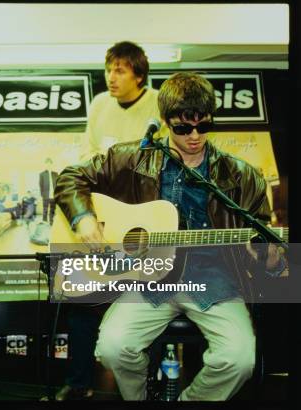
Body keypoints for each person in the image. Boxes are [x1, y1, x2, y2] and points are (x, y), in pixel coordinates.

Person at [54, 72, 285, 401]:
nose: (194, 136)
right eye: (182, 128)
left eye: (203, 126)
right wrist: (83, 217)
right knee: (113, 349)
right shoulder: (136, 158)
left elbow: (262, 241)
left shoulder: (241, 175)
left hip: (213, 280)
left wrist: (268, 256)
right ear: (164, 122)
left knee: (238, 360)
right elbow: (71, 176)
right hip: (150, 279)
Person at [53, 41, 163, 401]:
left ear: (139, 75)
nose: (111, 78)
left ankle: (150, 385)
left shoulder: (159, 104)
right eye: (108, 69)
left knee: (148, 297)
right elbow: (87, 156)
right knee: (84, 300)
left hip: (142, 218)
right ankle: (79, 382)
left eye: (120, 70)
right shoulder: (100, 104)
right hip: (102, 212)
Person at [38, 158, 58, 226]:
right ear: (45, 165)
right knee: (45, 210)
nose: (48, 165)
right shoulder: (42, 174)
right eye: (47, 164)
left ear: (51, 164)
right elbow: (40, 185)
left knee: (52, 210)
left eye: (50, 164)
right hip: (46, 195)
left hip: (53, 195)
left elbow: (58, 185)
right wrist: (42, 195)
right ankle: (44, 223)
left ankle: (51, 223)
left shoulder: (55, 174)